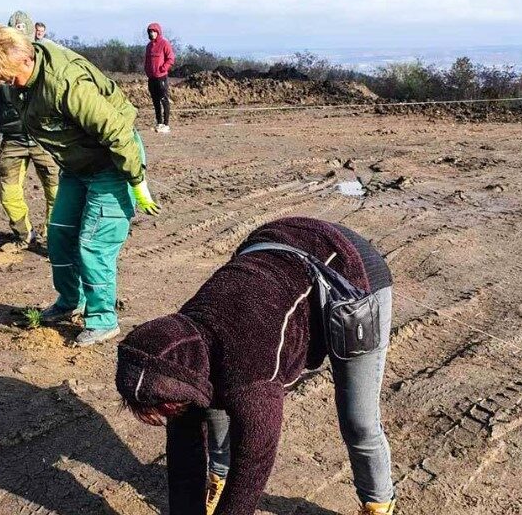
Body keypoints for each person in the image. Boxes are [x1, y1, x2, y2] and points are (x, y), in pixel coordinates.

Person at [116, 217, 396, 515]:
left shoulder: (252, 378)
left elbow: (253, 465)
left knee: (359, 420)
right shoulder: (176, 351)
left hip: (350, 276)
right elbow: (184, 453)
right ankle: (217, 479)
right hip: (279, 253)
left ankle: (378, 502)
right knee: (209, 407)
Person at [0, 25, 162, 346]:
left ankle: (103, 318)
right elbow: (0, 47)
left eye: (9, 78)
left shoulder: (66, 84)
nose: (7, 86)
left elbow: (116, 131)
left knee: (94, 243)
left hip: (112, 162)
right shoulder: (23, 67)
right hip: (77, 165)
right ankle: (69, 302)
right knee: (60, 233)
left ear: (25, 61)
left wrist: (137, 181)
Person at [0, 11, 59, 251]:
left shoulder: (45, 64)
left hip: (45, 138)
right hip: (13, 139)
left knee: (57, 192)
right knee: (9, 193)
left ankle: (56, 239)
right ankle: (24, 234)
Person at [144, 22, 175, 134]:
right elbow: (147, 61)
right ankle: (159, 123)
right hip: (151, 78)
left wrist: (163, 68)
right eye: (150, 32)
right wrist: (147, 71)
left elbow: (171, 58)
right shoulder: (148, 46)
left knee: (164, 100)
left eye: (154, 31)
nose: (152, 34)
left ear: (158, 32)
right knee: (155, 101)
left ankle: (166, 124)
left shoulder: (164, 44)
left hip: (161, 77)